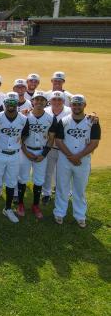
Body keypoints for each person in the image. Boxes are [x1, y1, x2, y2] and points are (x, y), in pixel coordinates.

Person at [53, 95, 100, 228]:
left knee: (80, 189)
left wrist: (78, 156)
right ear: (71, 105)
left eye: (79, 104)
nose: (77, 107)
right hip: (65, 159)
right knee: (62, 187)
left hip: (83, 160)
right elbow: (58, 140)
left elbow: (94, 143)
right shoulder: (64, 121)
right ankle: (59, 213)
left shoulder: (93, 122)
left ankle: (80, 215)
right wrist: (71, 156)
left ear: (84, 105)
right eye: (74, 104)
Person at [0, 92, 29, 224]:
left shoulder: (24, 119)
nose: (11, 105)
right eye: (8, 103)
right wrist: (0, 146)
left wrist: (14, 145)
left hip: (15, 155)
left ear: (17, 104)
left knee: (11, 182)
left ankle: (8, 209)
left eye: (13, 103)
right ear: (4, 104)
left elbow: (24, 136)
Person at [17, 91, 57, 219]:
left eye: (42, 100)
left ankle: (35, 205)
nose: (39, 102)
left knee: (39, 179)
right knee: (22, 178)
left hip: (41, 152)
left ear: (46, 102)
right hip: (26, 151)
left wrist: (44, 154)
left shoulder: (51, 118)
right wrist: (26, 152)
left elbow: (51, 138)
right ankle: (21, 204)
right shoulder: (25, 117)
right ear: (32, 101)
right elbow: (20, 137)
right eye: (37, 100)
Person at [41, 91, 72, 203]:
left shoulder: (70, 111)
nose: (57, 102)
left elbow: (83, 116)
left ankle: (64, 192)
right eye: (54, 99)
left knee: (64, 172)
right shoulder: (45, 111)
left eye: (59, 100)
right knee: (48, 171)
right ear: (50, 101)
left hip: (65, 147)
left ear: (64, 101)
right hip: (49, 147)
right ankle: (46, 193)